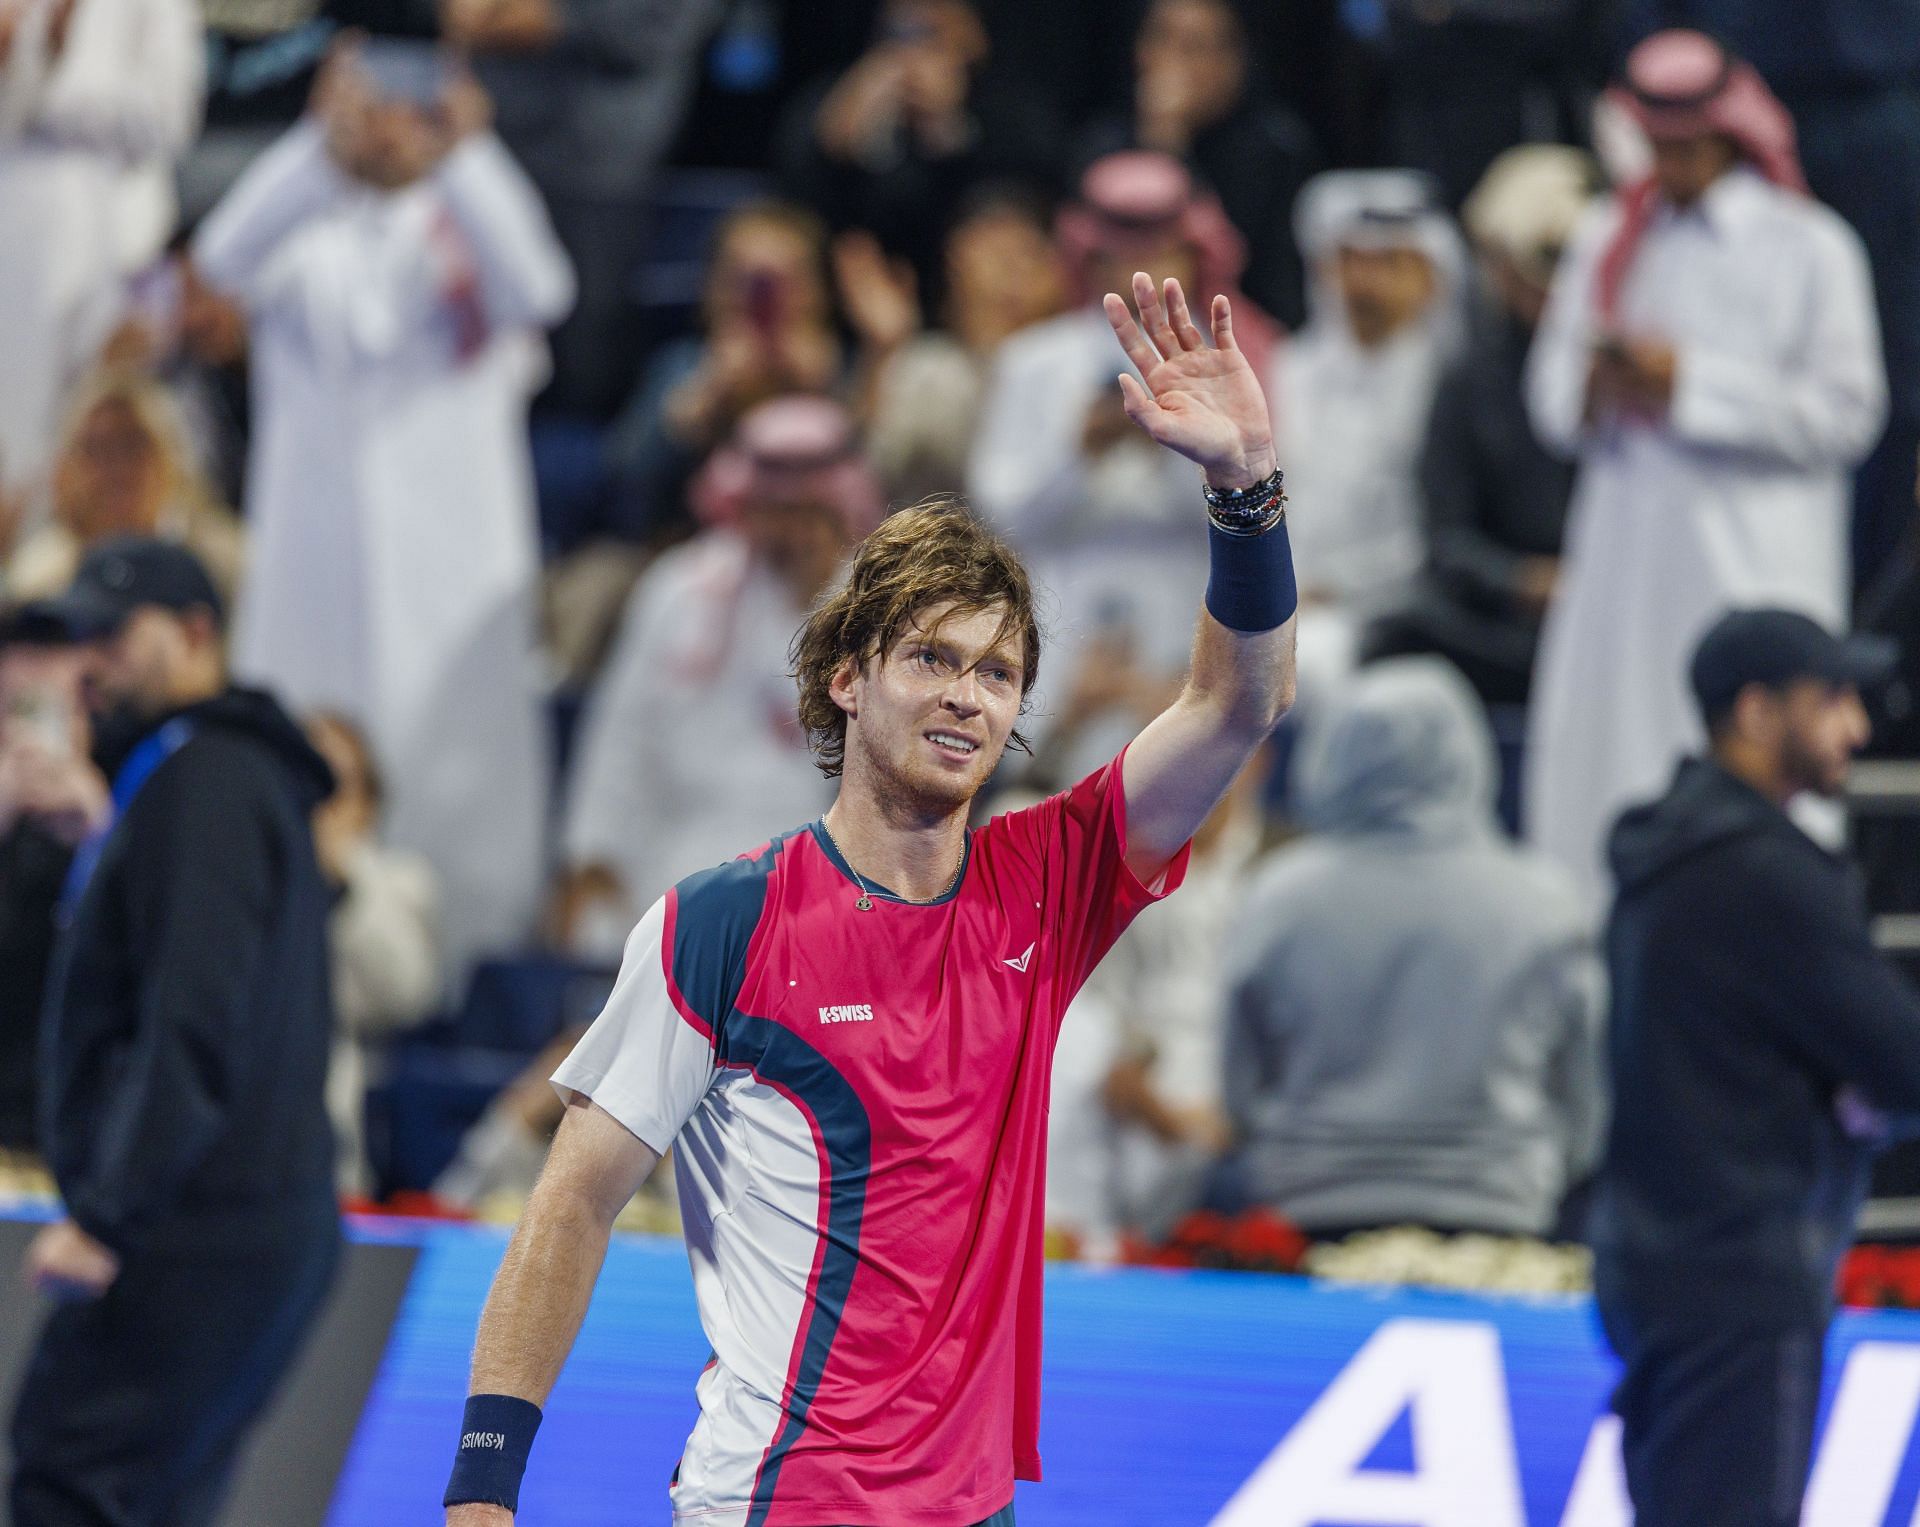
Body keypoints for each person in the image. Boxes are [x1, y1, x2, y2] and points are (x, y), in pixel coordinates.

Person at [440, 270, 1297, 1526]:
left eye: (998, 673)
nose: (967, 695)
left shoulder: (1047, 886)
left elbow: (1239, 704)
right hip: (779, 1506)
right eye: (933, 659)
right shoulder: (719, 925)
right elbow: (571, 1200)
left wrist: (1245, 490)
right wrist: (481, 1493)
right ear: (848, 678)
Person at [194, 38, 575, 977]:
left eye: (415, 100)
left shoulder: (471, 221)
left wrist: (466, 148)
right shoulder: (313, 229)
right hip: (311, 567)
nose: (397, 118)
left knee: (453, 789)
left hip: (450, 564)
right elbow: (218, 258)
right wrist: (322, 146)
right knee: (297, 769)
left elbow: (543, 286)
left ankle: (460, 972)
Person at [7, 537, 341, 1527]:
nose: (88, 663)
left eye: (113, 632)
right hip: (232, 1224)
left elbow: (196, 1015)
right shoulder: (203, 778)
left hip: (191, 1228)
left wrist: (109, 1213)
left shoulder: (210, 778)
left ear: (197, 632)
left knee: (70, 1477)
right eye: (76, 638)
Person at [1523, 30, 1886, 906]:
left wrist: (1690, 386)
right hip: (1623, 575)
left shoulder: (1810, 246)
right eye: (1658, 144)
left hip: (1750, 567)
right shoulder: (1611, 236)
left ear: (1729, 131)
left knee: (1765, 797)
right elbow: (1548, 403)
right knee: (1606, 769)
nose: (1671, 162)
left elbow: (1850, 415)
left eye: (1687, 144)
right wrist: (1601, 387)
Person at [1593, 607, 1920, 1527]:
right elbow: (1904, 1062)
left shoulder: (1659, 852)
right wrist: (1853, 1094)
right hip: (1742, 1277)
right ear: (1755, 711)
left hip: (1654, 1264)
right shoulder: (1770, 874)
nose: (1857, 726)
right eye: (1832, 699)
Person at [1221, 658, 1603, 1239]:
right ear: (1471, 753)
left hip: (1306, 1211)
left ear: (1332, 753)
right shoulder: (1546, 901)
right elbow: (1585, 1096)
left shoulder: (1278, 897)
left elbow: (1238, 1085)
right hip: (1500, 1216)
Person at [969, 150, 1280, 782]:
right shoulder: (1031, 360)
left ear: (1193, 256)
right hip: (1058, 601)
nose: (1141, 272)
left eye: (1160, 254)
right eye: (1121, 255)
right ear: (1093, 257)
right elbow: (999, 519)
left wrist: (1172, 450)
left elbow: (1265, 517)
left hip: (1191, 600)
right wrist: (1080, 453)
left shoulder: (1231, 359)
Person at [552, 396, 879, 959]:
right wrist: (591, 861)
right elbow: (622, 738)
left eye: (804, 512)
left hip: (823, 879)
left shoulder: (877, 606)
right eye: (773, 509)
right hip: (677, 864)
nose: (787, 530)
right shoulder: (680, 590)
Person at [1369, 145, 1597, 705]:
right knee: (1399, 639)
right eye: (1539, 261)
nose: (1550, 286)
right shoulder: (1470, 382)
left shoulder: (1624, 373)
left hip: (1621, 606)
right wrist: (1523, 581)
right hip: (1502, 627)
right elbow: (1446, 539)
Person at [441, 0, 727, 416]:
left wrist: (557, 20)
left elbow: (662, 25)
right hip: (479, 150)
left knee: (581, 371)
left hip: (594, 167)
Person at [0, 0, 203, 509]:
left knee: (120, 439)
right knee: (19, 444)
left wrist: (48, 78)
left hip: (124, 237)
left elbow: (169, 120)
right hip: (15, 235)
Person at [1272, 170, 1465, 703]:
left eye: (1388, 264)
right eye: (1350, 261)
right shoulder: (1291, 371)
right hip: (1285, 600)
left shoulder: (1447, 383)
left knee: (1312, 667)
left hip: (1397, 610)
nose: (1364, 284)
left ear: (1429, 276)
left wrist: (1334, 589)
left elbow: (1434, 533)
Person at [777, 0, 1062, 303]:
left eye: (933, 30)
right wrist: (838, 149)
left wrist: (948, 130)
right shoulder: (836, 102)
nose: (915, 44)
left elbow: (1030, 195)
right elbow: (794, 202)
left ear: (972, 35)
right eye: (902, 29)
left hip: (970, 301)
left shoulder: (1008, 110)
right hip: (855, 292)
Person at [605, 200, 842, 546]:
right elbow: (624, 478)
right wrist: (703, 397)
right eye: (742, 278)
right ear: (712, 287)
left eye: (783, 280)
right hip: (691, 561)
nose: (761, 299)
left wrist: (830, 394)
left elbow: (884, 492)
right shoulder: (683, 366)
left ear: (818, 291)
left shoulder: (845, 371)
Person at [1073, 0, 1321, 328]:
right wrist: (1156, 139)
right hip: (1106, 326)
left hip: (1236, 329)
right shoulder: (1102, 143)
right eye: (1161, 39)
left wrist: (1170, 145)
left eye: (1194, 47)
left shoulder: (1276, 150)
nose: (1173, 61)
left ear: (1233, 64)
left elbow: (1243, 263)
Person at [839, 184, 1069, 505]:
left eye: (1028, 254)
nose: (1011, 273)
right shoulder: (927, 367)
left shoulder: (1075, 367)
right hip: (934, 547)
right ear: (954, 267)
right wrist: (881, 351)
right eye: (995, 254)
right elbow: (868, 474)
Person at [307, 709, 443, 1197]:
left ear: (367, 804)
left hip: (337, 1133)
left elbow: (406, 996)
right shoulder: (243, 877)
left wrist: (344, 877)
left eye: (334, 782)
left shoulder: (399, 882)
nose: (316, 800)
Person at [0, 603, 103, 1154]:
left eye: (55, 712)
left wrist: (104, 831)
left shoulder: (136, 802)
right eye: (21, 710)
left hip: (84, 1139)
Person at [7, 368, 246, 604]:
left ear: (171, 460)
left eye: (133, 443)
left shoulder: (229, 567)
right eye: (96, 448)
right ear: (65, 472)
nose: (116, 467)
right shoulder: (36, 583)